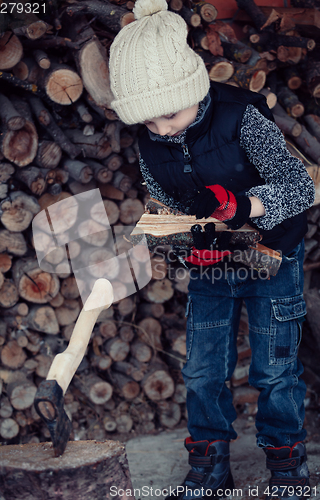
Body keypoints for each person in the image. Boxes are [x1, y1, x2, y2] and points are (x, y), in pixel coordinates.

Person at [108, 0, 315, 498]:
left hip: (271, 254)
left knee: (274, 369)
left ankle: (287, 465)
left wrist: (238, 206)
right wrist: (186, 238)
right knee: (202, 370)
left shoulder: (241, 116)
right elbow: (170, 202)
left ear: (192, 89)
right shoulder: (152, 141)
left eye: (169, 116)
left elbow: (300, 188)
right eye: (149, 123)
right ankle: (209, 463)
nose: (162, 130)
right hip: (215, 262)